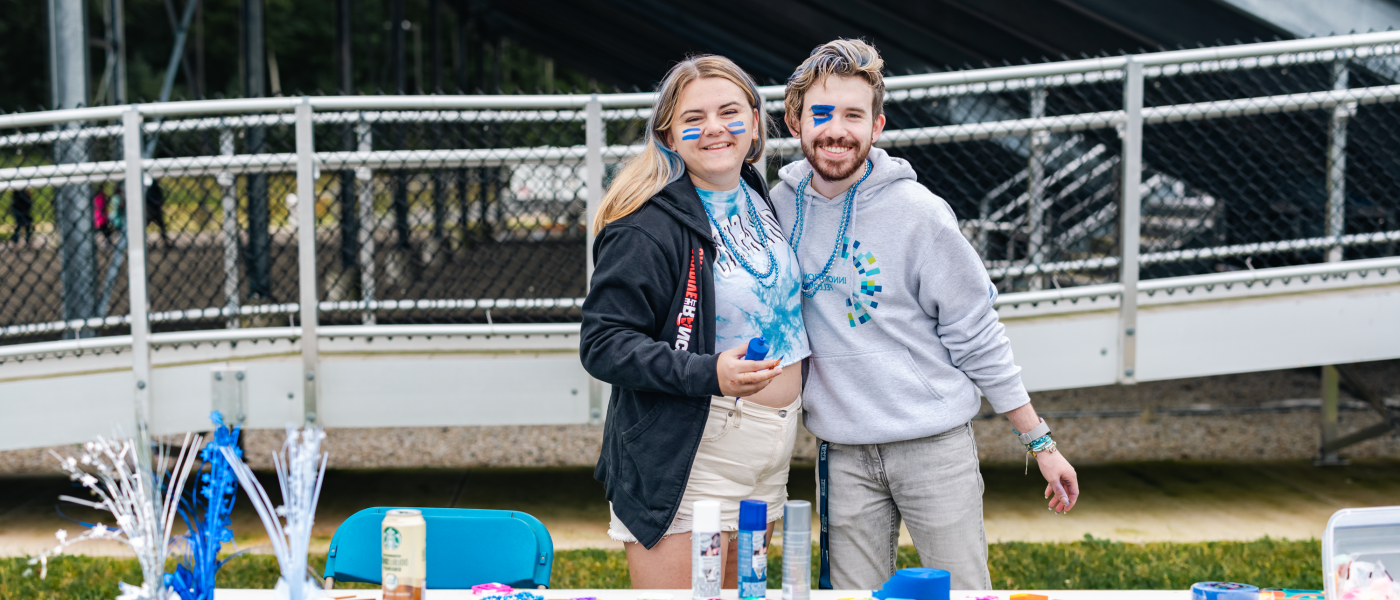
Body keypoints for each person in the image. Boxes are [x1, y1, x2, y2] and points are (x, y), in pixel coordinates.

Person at [769, 39, 1081, 591]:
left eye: (852, 115)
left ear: (877, 125)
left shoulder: (920, 214)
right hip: (841, 452)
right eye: (820, 113)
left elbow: (977, 333)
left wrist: (1041, 443)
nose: (835, 129)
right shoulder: (778, 206)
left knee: (962, 591)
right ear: (796, 121)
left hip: (933, 446)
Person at [580, 55, 810, 588]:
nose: (714, 128)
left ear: (755, 121)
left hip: (771, 450)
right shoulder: (647, 223)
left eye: (729, 112)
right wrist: (710, 374)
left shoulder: (756, 193)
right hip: (692, 451)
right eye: (693, 118)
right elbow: (604, 343)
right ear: (668, 135)